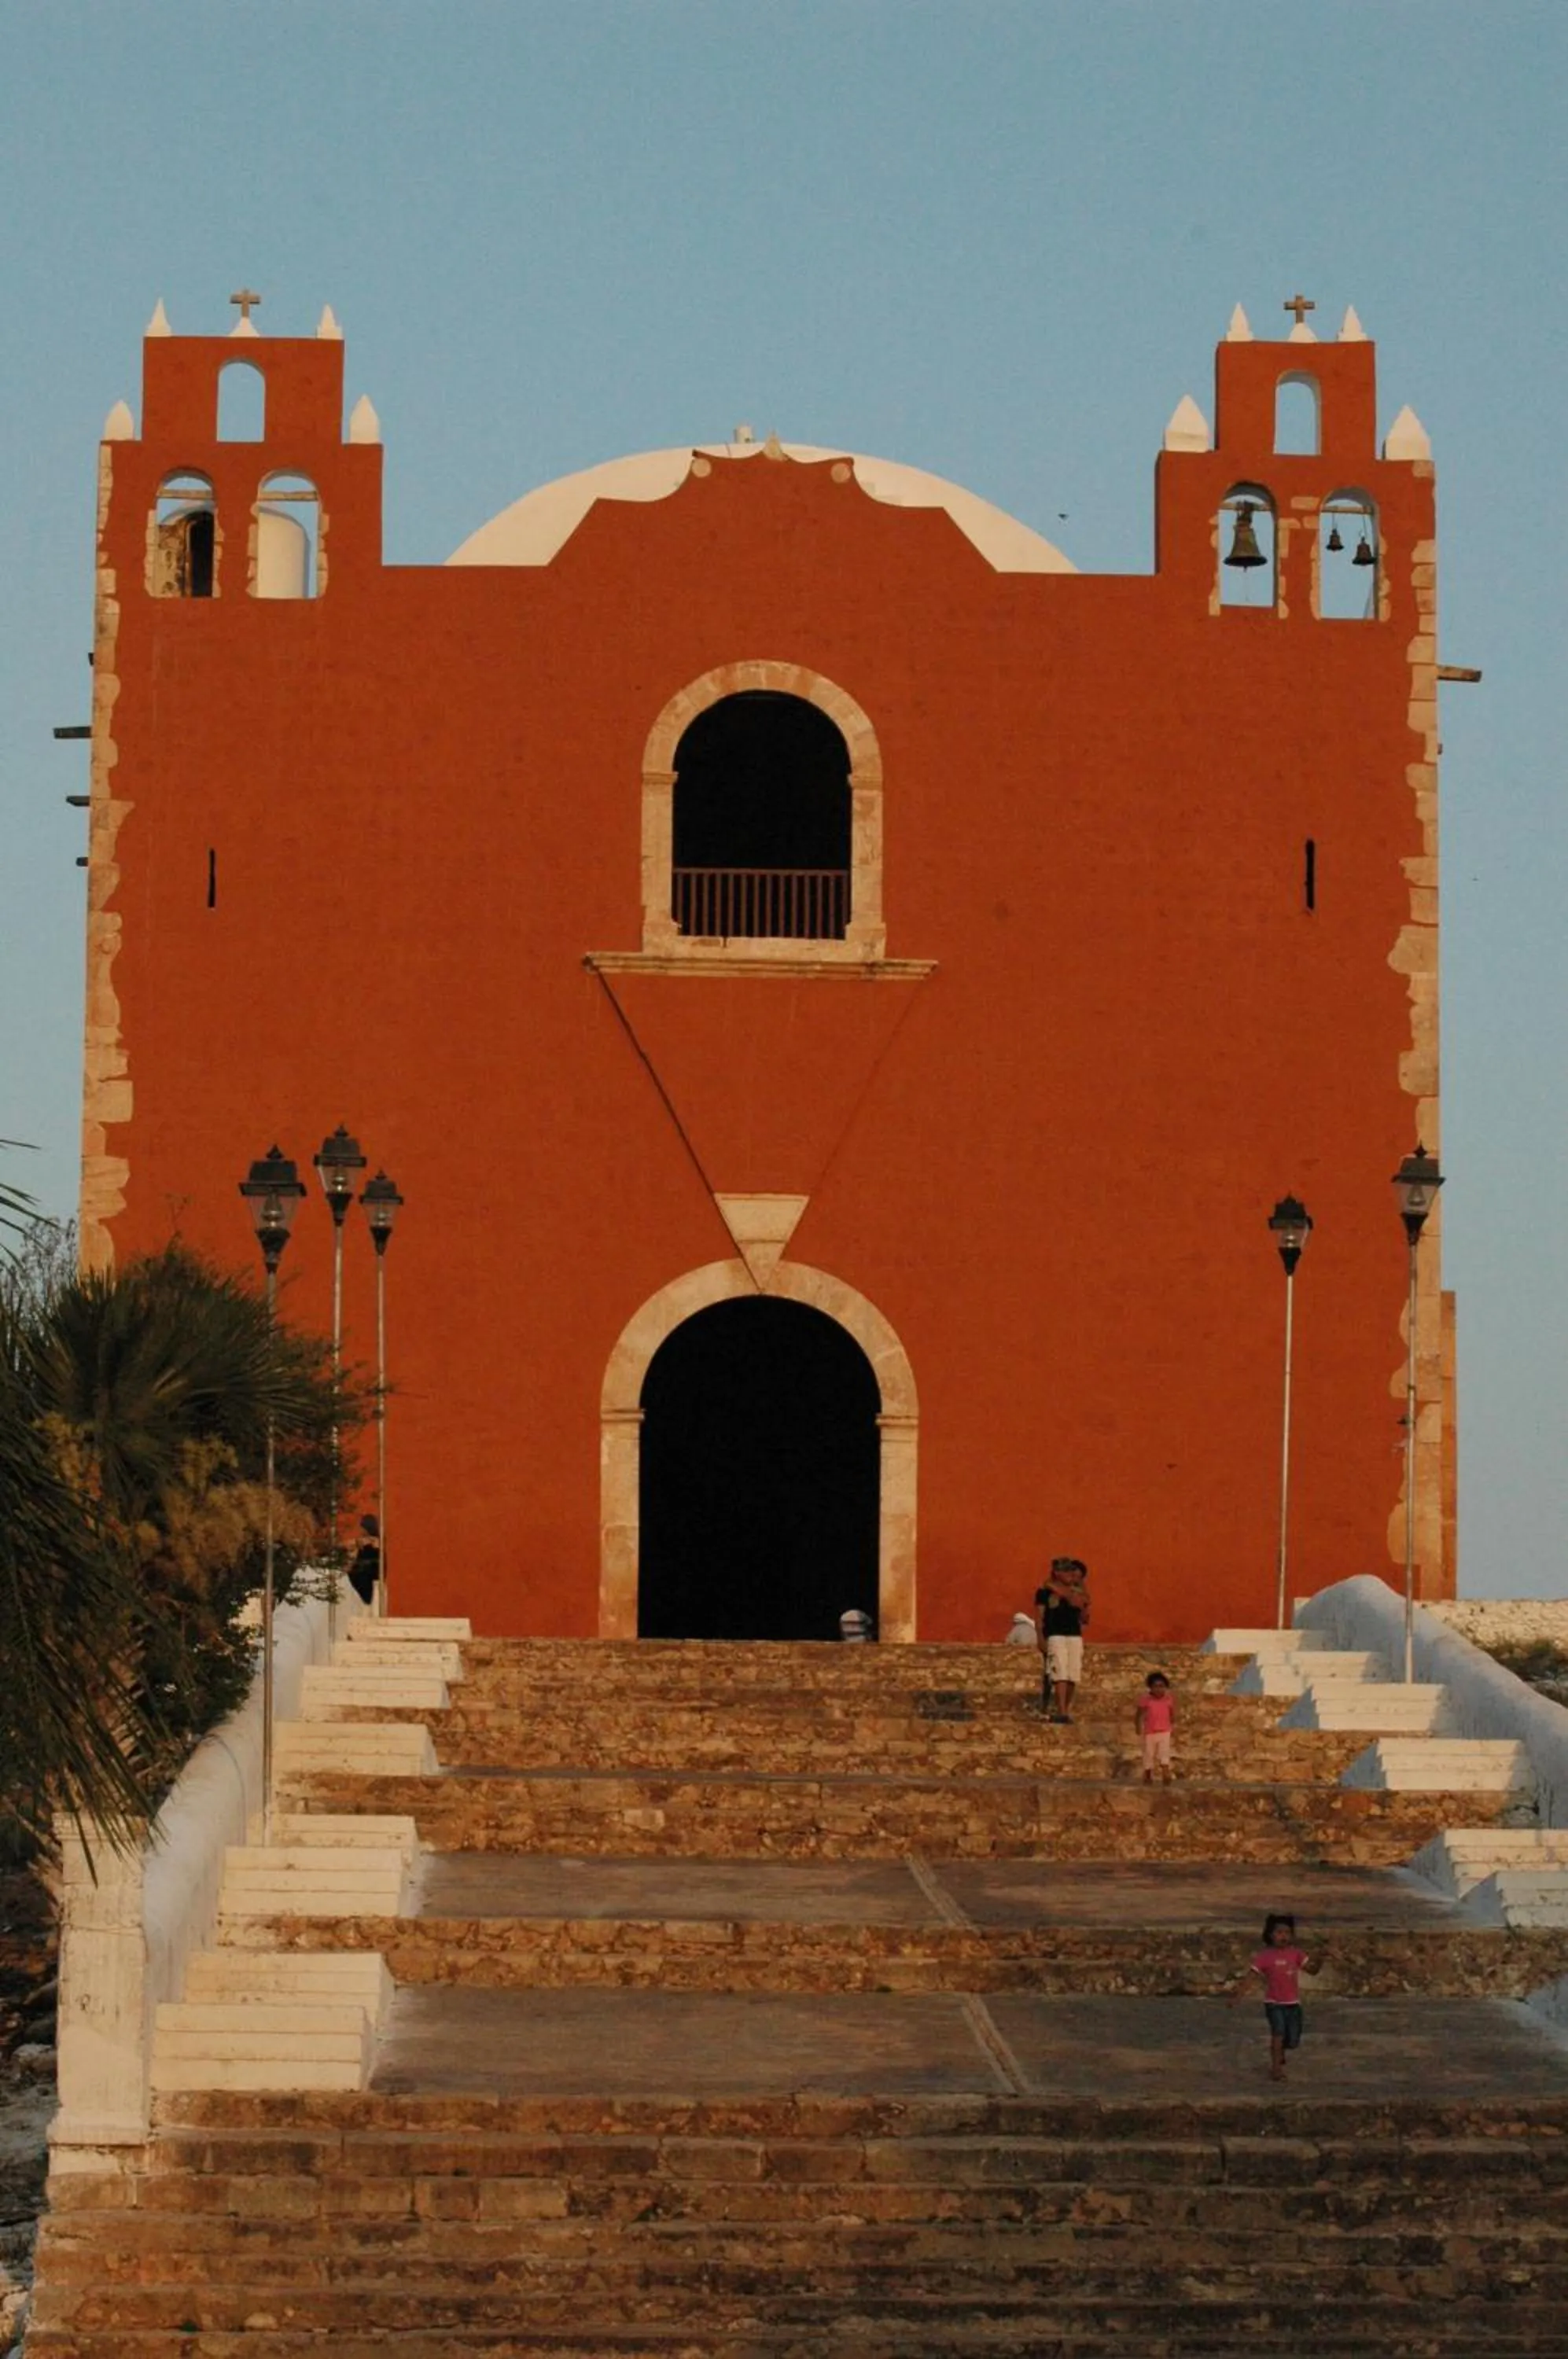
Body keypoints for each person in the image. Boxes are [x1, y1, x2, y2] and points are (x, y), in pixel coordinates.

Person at [1231, 1912, 1326, 2082]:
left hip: (1293, 2003)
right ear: (1270, 1935)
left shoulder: (1296, 1954)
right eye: (1279, 1933)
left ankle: (1281, 2051)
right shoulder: (1265, 1956)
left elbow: (1313, 1970)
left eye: (1287, 1933)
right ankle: (1276, 2069)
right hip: (1274, 2003)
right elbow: (1251, 1977)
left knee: (1293, 2040)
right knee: (1278, 2034)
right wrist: (1238, 1996)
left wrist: (1322, 1957)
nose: (1283, 1936)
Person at [1034, 1556, 1090, 1723]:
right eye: (1066, 1571)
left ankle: (1066, 1707)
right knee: (1060, 1673)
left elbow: (1084, 1615)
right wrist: (1040, 1638)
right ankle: (1062, 1711)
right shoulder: (1045, 1592)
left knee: (1073, 1674)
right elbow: (1039, 1616)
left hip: (1074, 1635)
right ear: (1057, 1572)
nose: (1070, 1574)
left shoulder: (1078, 1592)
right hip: (1055, 1635)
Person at [1134, 1669, 1176, 1783]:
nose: (1159, 1689)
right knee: (1149, 1753)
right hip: (1150, 1731)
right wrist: (1138, 1726)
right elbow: (1140, 1714)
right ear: (1150, 1688)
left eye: (1161, 1686)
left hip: (1164, 1730)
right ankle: (1148, 1773)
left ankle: (1166, 1772)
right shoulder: (1146, 1700)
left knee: (1164, 1752)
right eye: (1156, 1686)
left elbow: (1172, 1713)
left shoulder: (1168, 1700)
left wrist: (1173, 1724)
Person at [348, 1513, 381, 1606]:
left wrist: (361, 1543)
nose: (360, 1530)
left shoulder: (375, 1541)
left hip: (371, 1570)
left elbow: (375, 1545)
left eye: (362, 1527)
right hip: (364, 1570)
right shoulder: (363, 1541)